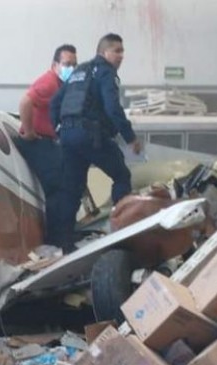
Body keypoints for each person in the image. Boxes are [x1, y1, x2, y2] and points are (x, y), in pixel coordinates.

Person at [50, 33, 142, 252]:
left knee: (71, 189)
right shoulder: (105, 72)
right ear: (104, 52)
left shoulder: (79, 71)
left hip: (69, 137)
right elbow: (113, 108)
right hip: (91, 136)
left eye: (123, 51)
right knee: (121, 175)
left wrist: (58, 130)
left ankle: (65, 244)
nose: (121, 56)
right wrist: (131, 138)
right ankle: (121, 235)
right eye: (117, 51)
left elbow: (55, 102)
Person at [16, 44, 77, 246]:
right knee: (57, 189)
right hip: (37, 141)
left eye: (74, 65)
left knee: (67, 185)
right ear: (55, 65)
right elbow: (25, 101)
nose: (71, 68)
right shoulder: (49, 83)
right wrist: (29, 130)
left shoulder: (62, 85)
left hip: (49, 141)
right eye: (67, 64)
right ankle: (56, 242)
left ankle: (65, 238)